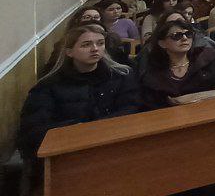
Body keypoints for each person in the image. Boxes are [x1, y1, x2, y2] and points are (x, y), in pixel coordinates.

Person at [18, 24, 140, 161]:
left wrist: (100, 128)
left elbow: (131, 108)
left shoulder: (121, 76)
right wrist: (79, 129)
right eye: (86, 45)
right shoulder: (49, 86)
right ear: (69, 52)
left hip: (116, 145)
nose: (95, 49)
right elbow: (34, 129)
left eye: (100, 43)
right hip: (70, 152)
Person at [138, 19, 215, 109]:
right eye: (176, 36)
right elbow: (151, 106)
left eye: (188, 34)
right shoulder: (154, 71)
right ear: (162, 43)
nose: (184, 38)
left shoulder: (210, 57)